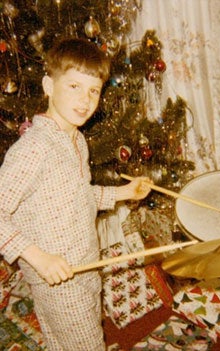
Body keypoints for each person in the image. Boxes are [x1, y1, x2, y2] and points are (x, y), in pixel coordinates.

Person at [0, 38, 151, 351]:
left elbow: (77, 196)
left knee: (64, 342)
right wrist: (38, 258)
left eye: (93, 90)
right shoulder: (34, 149)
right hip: (56, 278)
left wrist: (125, 191)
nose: (85, 99)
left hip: (85, 263)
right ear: (48, 86)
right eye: (73, 87)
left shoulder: (76, 139)